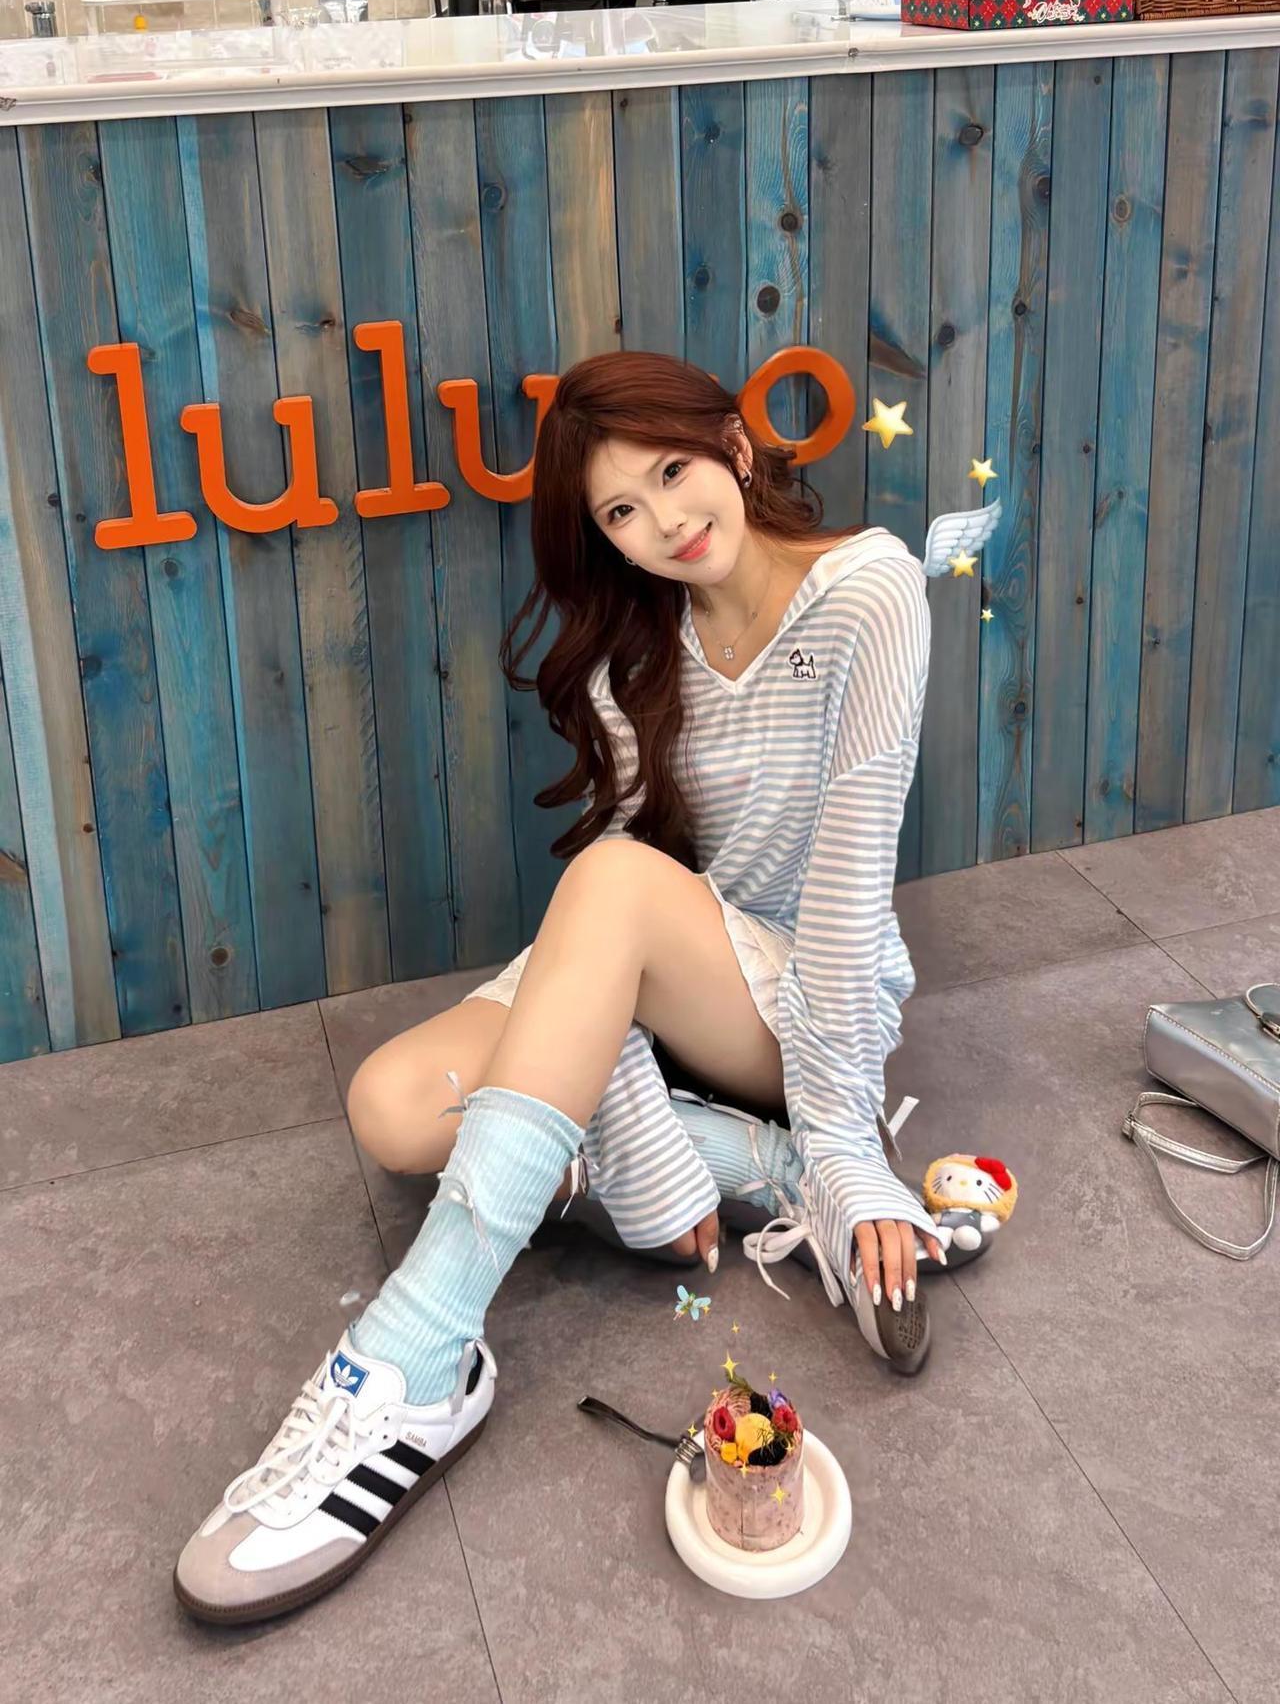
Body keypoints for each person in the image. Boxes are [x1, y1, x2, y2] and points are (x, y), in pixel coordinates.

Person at [175, 350, 955, 1626]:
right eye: (622, 512)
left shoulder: (867, 591)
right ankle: (753, 1167)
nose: (665, 522)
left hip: (802, 1001)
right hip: (660, 966)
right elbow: (643, 902)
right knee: (390, 1106)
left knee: (606, 879)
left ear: (733, 444)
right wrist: (635, 1098)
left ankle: (415, 1360)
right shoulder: (634, 653)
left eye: (674, 471)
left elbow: (843, 894)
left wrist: (844, 1136)